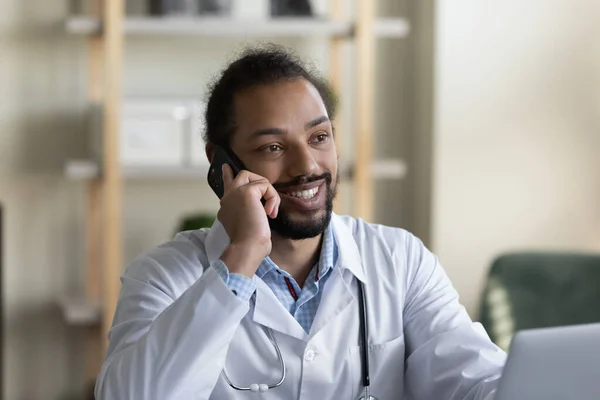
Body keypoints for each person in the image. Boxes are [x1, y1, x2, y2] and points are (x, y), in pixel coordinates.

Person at [95, 45, 506, 400]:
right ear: (221, 163)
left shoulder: (400, 260)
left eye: (319, 137)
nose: (307, 165)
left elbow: (476, 379)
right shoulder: (164, 275)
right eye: (273, 146)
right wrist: (239, 261)